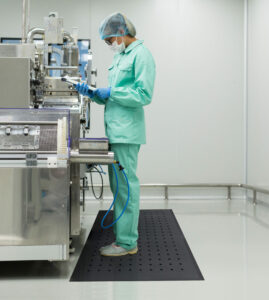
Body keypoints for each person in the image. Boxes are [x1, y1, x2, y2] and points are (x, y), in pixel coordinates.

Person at [76, 12, 156, 256]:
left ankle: (127, 243)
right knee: (119, 186)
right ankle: (124, 238)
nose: (110, 44)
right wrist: (93, 94)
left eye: (110, 39)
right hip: (116, 131)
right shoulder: (122, 57)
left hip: (127, 133)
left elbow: (143, 95)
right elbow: (115, 95)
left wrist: (111, 92)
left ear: (122, 33)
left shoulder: (141, 55)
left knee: (126, 187)